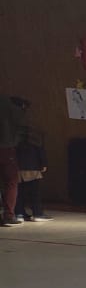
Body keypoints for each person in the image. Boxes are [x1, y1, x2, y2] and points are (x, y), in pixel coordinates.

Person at [0, 95, 24, 227]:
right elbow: (19, 126)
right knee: (11, 181)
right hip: (6, 147)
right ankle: (8, 215)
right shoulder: (8, 105)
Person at [15, 123, 46, 221]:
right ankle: (37, 214)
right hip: (33, 169)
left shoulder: (16, 141)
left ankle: (19, 213)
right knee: (34, 193)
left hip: (19, 169)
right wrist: (43, 165)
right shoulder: (35, 140)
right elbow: (41, 153)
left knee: (19, 193)